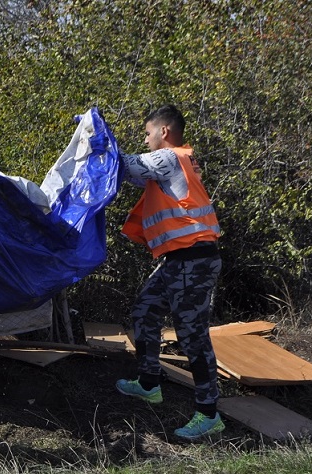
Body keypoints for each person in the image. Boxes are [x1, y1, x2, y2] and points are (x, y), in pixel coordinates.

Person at [115, 104, 224, 440]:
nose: (145, 139)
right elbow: (130, 174)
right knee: (146, 310)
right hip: (180, 260)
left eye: (147, 133)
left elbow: (125, 164)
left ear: (163, 131)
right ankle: (149, 384)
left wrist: (96, 137)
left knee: (192, 334)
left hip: (194, 258)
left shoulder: (170, 157)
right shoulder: (173, 162)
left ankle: (209, 415)